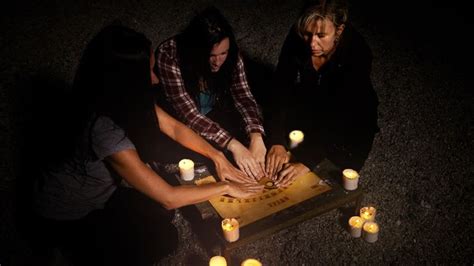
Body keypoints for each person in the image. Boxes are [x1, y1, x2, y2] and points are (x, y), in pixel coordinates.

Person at [29, 25, 262, 266]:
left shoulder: (117, 94)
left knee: (161, 215)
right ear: (128, 79)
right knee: (164, 239)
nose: (156, 77)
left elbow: (174, 128)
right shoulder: (104, 129)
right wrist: (225, 187)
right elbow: (169, 197)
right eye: (149, 70)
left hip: (103, 193)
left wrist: (218, 157)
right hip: (66, 214)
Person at [265, 0, 379, 187]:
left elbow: (342, 113)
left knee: (335, 171)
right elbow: (280, 88)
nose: (312, 43)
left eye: (321, 35)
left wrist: (306, 162)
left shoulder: (358, 53)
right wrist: (276, 140)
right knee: (281, 142)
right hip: (310, 101)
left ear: (339, 31)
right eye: (308, 34)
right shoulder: (297, 38)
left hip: (349, 114)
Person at [155, 7, 266, 180]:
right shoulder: (169, 54)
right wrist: (233, 144)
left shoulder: (231, 54)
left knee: (248, 148)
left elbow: (243, 95)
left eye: (223, 53)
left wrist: (256, 135)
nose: (218, 61)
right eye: (210, 55)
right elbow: (188, 114)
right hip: (178, 122)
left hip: (215, 112)